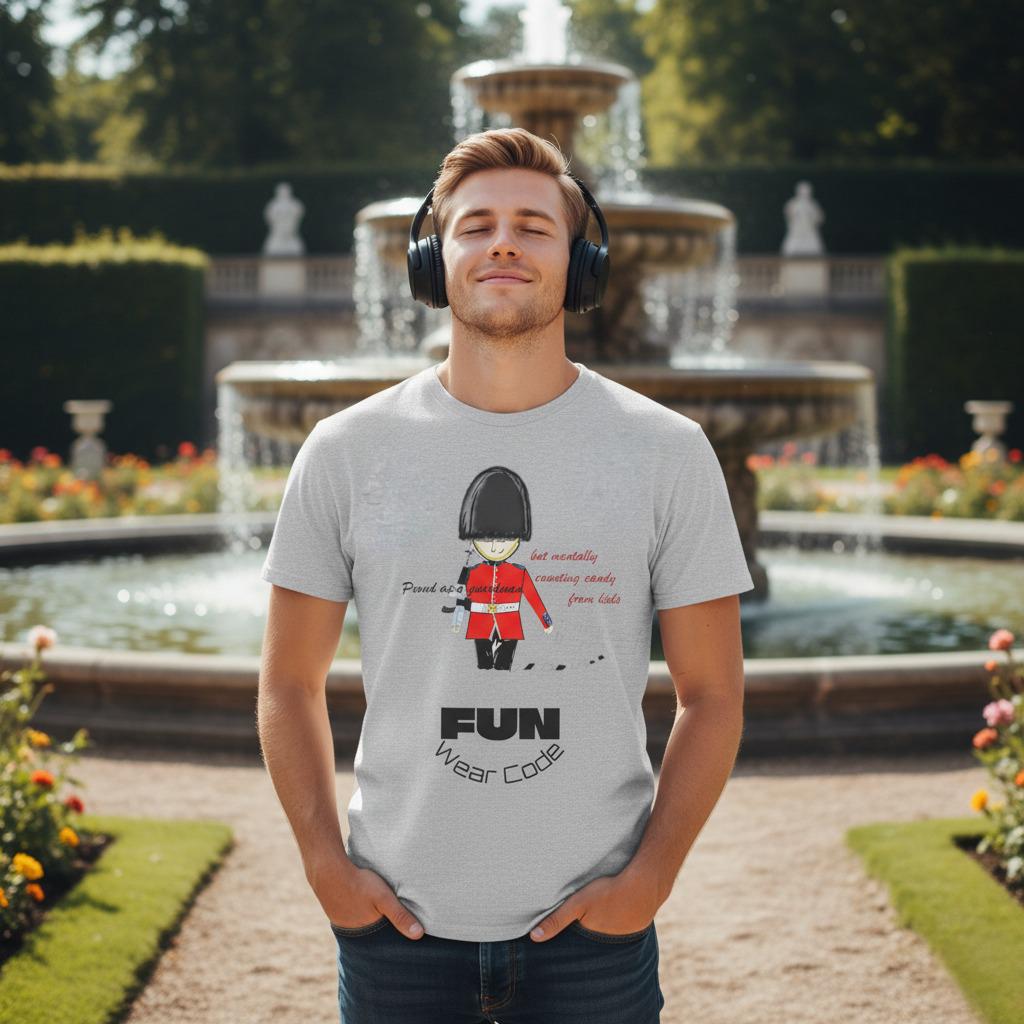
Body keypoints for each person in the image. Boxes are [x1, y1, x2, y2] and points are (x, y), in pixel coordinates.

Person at [257, 127, 753, 1023]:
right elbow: (286, 684)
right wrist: (325, 865)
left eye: (534, 225)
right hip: (396, 935)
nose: (503, 243)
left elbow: (712, 696)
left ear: (581, 261)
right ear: (430, 260)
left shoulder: (668, 453)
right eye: (475, 225)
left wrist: (648, 880)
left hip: (594, 943)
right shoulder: (344, 451)